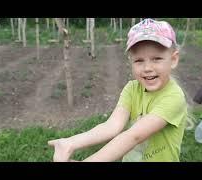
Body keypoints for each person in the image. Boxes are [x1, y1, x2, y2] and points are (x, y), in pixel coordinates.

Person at [48, 18, 188, 162]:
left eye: (156, 59)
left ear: (173, 59)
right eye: (139, 60)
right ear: (131, 62)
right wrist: (70, 142)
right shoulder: (132, 89)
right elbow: (112, 126)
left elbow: (134, 136)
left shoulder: (174, 97)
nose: (147, 68)